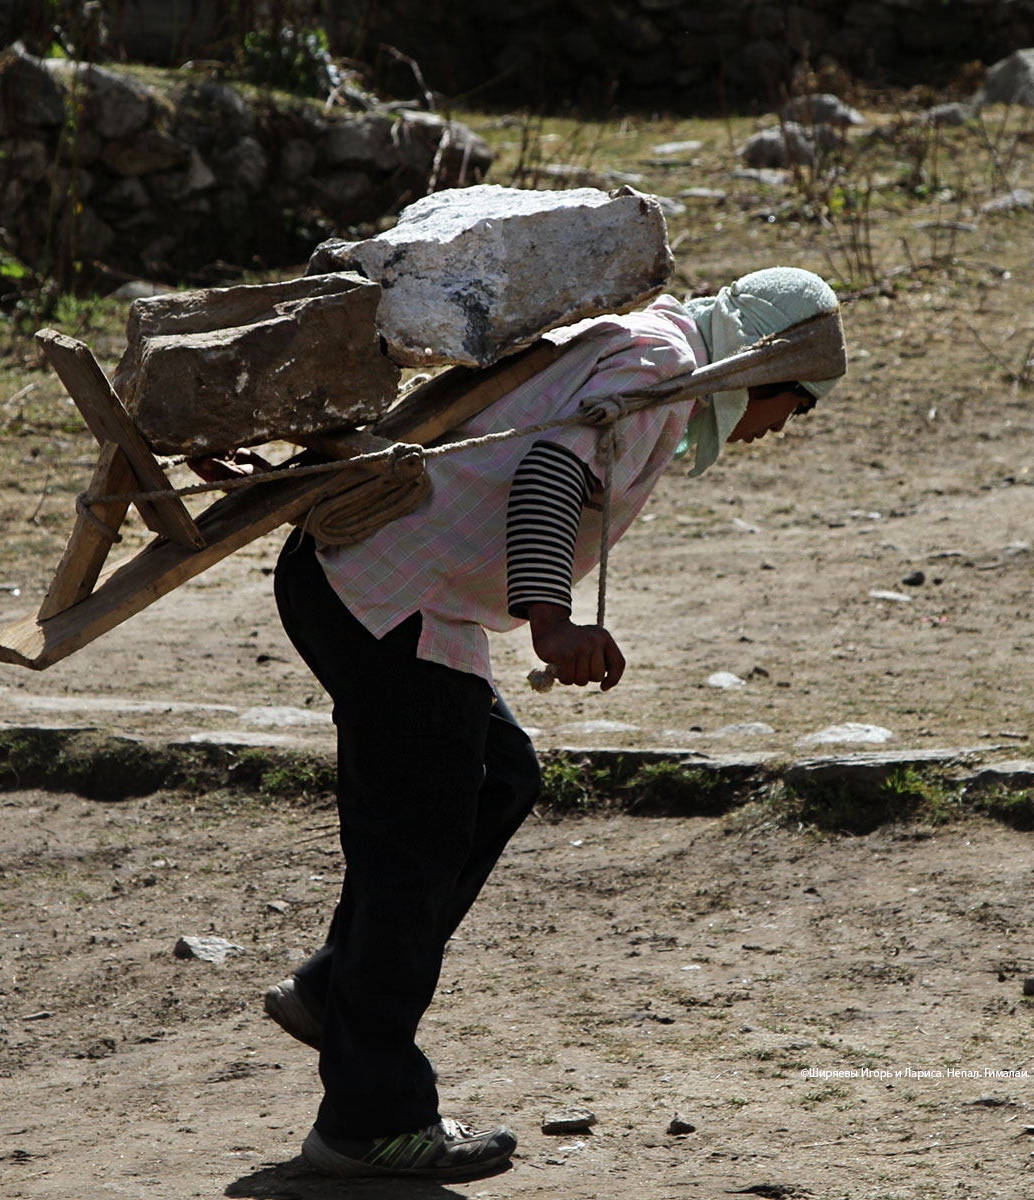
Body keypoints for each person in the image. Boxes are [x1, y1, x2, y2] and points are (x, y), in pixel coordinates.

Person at [253, 266, 846, 1180]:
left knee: (496, 781)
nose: (781, 428)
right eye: (796, 406)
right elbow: (546, 474)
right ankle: (368, 1121)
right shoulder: (660, 366)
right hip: (388, 598)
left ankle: (337, 992)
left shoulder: (648, 344)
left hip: (382, 592)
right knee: (412, 853)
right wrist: (551, 619)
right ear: (768, 370)